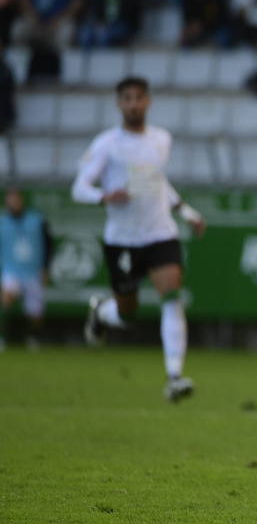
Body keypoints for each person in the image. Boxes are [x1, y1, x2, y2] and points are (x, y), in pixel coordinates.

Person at [73, 77, 207, 403]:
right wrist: (105, 196)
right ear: (119, 104)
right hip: (123, 240)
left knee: (172, 297)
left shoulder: (162, 139)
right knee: (127, 311)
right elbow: (79, 188)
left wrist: (186, 210)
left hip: (160, 233)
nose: (134, 104)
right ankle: (102, 312)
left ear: (148, 102)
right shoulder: (107, 144)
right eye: (127, 99)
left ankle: (174, 376)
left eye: (139, 98)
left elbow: (157, 182)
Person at [0, 187, 52, 349]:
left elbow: (48, 244)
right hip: (11, 269)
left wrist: (45, 268)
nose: (14, 202)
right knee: (6, 299)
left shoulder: (37, 220)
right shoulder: (2, 222)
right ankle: (2, 337)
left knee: (35, 312)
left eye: (16, 199)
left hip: (33, 271)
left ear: (22, 200)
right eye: (10, 199)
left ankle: (33, 337)